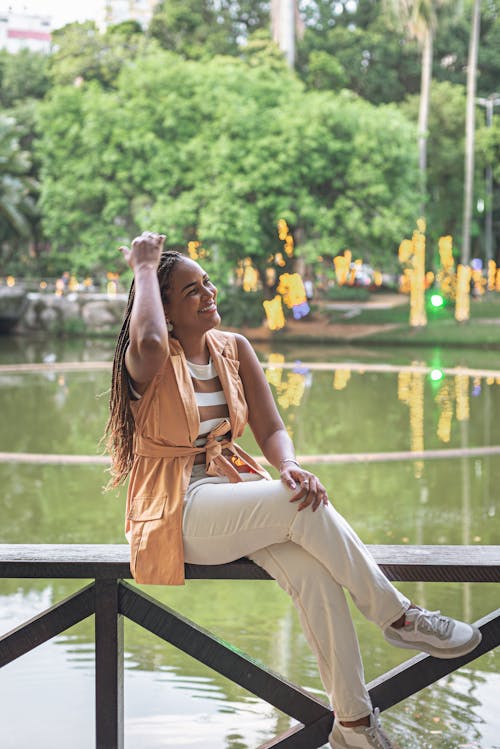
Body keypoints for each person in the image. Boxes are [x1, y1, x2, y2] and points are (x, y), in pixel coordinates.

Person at [105, 231, 482, 749]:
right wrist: (143, 267)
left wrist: (288, 466)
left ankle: (353, 726)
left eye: (207, 282)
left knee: (316, 575)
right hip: (175, 512)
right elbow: (147, 339)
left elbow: (271, 426)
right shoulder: (147, 359)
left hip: (231, 494)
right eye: (192, 290)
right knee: (295, 506)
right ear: (165, 309)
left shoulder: (232, 348)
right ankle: (398, 616)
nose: (209, 292)